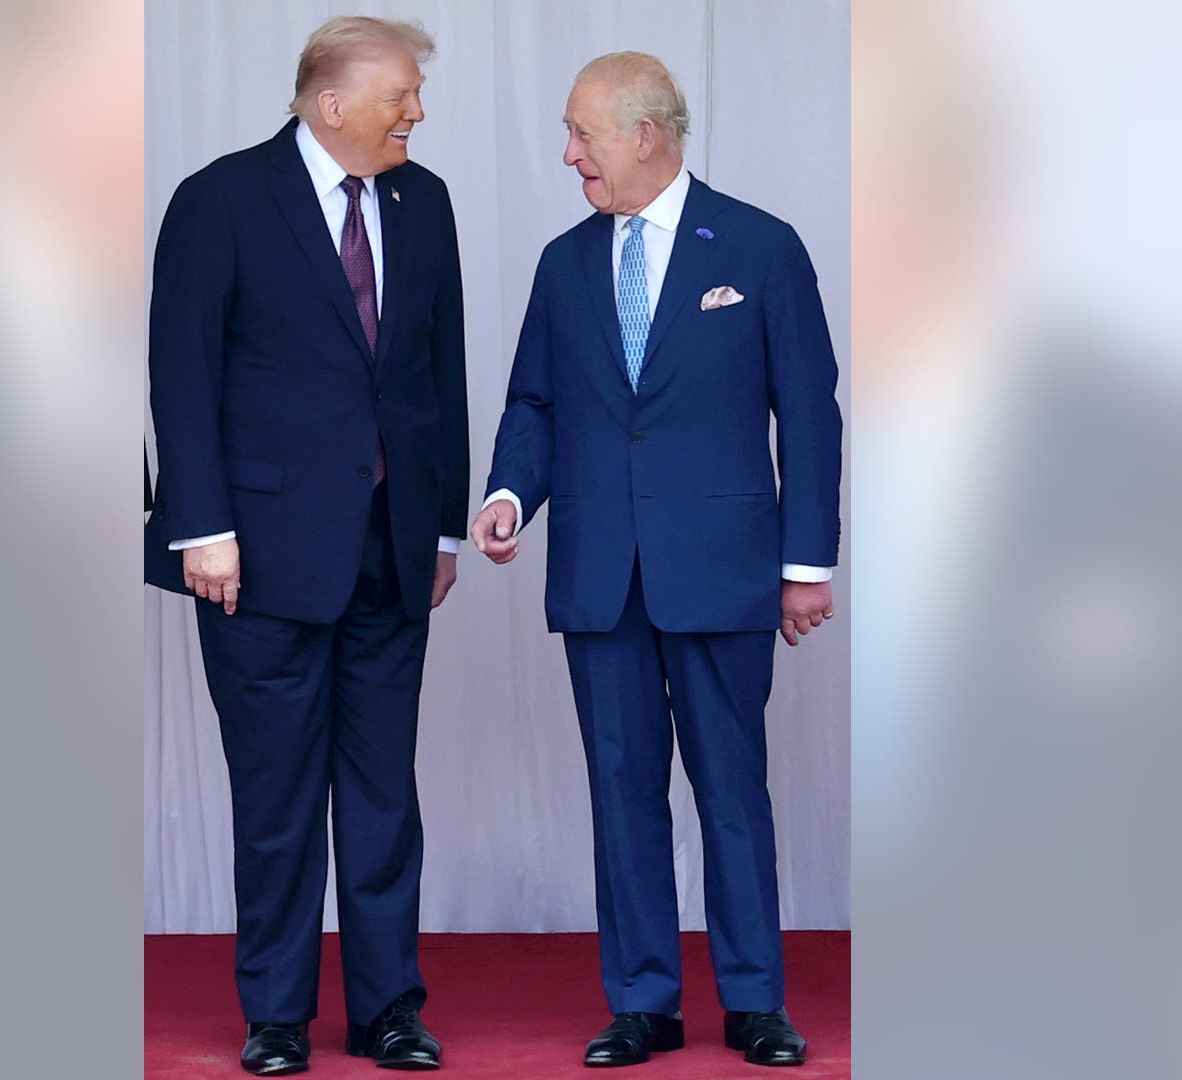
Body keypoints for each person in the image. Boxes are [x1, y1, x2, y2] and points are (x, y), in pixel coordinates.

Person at [471, 51, 841, 1069]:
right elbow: (535, 403)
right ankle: (642, 1001)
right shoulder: (564, 262)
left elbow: (808, 415)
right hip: (600, 572)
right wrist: (509, 495)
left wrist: (808, 563)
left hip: (723, 569)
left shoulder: (762, 248)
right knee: (621, 792)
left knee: (732, 790)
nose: (568, 154)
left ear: (647, 133)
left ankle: (756, 1002)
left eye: (582, 134)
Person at [144, 15, 467, 1075]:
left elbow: (438, 374)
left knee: (383, 797)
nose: (417, 113)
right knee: (277, 798)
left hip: (390, 551)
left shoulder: (426, 203)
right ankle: (276, 1015)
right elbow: (180, 374)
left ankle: (388, 1013)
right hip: (257, 556)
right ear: (333, 105)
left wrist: (445, 525)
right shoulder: (220, 200)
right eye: (402, 97)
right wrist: (201, 529)